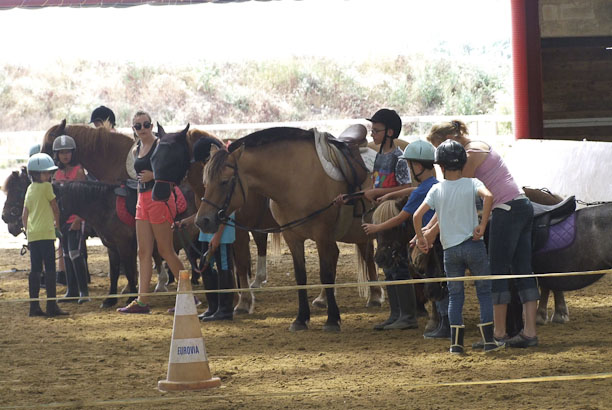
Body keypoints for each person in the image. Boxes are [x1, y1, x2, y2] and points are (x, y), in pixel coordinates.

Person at [427, 120, 538, 349]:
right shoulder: (479, 145)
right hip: (521, 205)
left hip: (505, 210)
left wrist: (430, 232)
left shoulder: (470, 155)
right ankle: (529, 332)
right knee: (522, 270)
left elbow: (452, 194)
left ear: (451, 139)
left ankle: (498, 333)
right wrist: (429, 229)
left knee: (497, 272)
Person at [414, 140, 502, 354]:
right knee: (484, 292)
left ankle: (456, 344)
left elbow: (417, 216)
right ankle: (489, 340)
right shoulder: (472, 183)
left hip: (450, 250)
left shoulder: (436, 189)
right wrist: (482, 225)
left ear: (441, 167)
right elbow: (489, 197)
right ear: (463, 164)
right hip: (474, 246)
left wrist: (421, 238)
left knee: (455, 295)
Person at [361, 140, 450, 339]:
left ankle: (438, 319)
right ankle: (437, 318)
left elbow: (401, 218)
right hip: (438, 235)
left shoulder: (422, 190)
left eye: (410, 165)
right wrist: (391, 194)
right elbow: (412, 191)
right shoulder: (433, 184)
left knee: (432, 278)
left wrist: (377, 227)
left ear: (417, 166)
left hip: (428, 240)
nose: (410, 168)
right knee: (436, 277)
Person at [117, 111, 185, 314]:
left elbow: (174, 172)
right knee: (143, 251)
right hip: (143, 199)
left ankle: (188, 294)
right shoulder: (137, 148)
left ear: (152, 125)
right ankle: (142, 300)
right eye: (138, 126)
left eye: (146, 124)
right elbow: (138, 177)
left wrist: (154, 176)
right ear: (133, 129)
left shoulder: (160, 146)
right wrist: (141, 193)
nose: (143, 129)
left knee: (166, 250)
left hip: (160, 198)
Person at [175, 137, 235, 321]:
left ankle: (225, 309)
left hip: (222, 233)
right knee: (206, 267)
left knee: (224, 266)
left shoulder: (223, 179)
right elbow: (206, 208)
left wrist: (217, 236)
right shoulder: (210, 179)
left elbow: (224, 211)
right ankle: (213, 306)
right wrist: (188, 220)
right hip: (206, 230)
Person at [22, 153, 68, 317]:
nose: (49, 175)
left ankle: (34, 307)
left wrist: (27, 231)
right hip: (47, 234)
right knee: (50, 269)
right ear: (36, 173)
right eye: (46, 173)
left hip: (33, 235)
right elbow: (55, 208)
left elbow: (24, 215)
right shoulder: (47, 187)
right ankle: (51, 306)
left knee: (35, 270)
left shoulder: (29, 189)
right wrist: (57, 225)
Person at [52, 135, 90, 304]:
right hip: (62, 220)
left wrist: (79, 219)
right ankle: (71, 291)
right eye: (61, 153)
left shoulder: (79, 171)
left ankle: (84, 292)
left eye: (68, 152)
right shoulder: (56, 173)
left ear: (73, 153)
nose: (65, 155)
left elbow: (84, 198)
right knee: (66, 254)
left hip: (76, 219)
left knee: (75, 253)